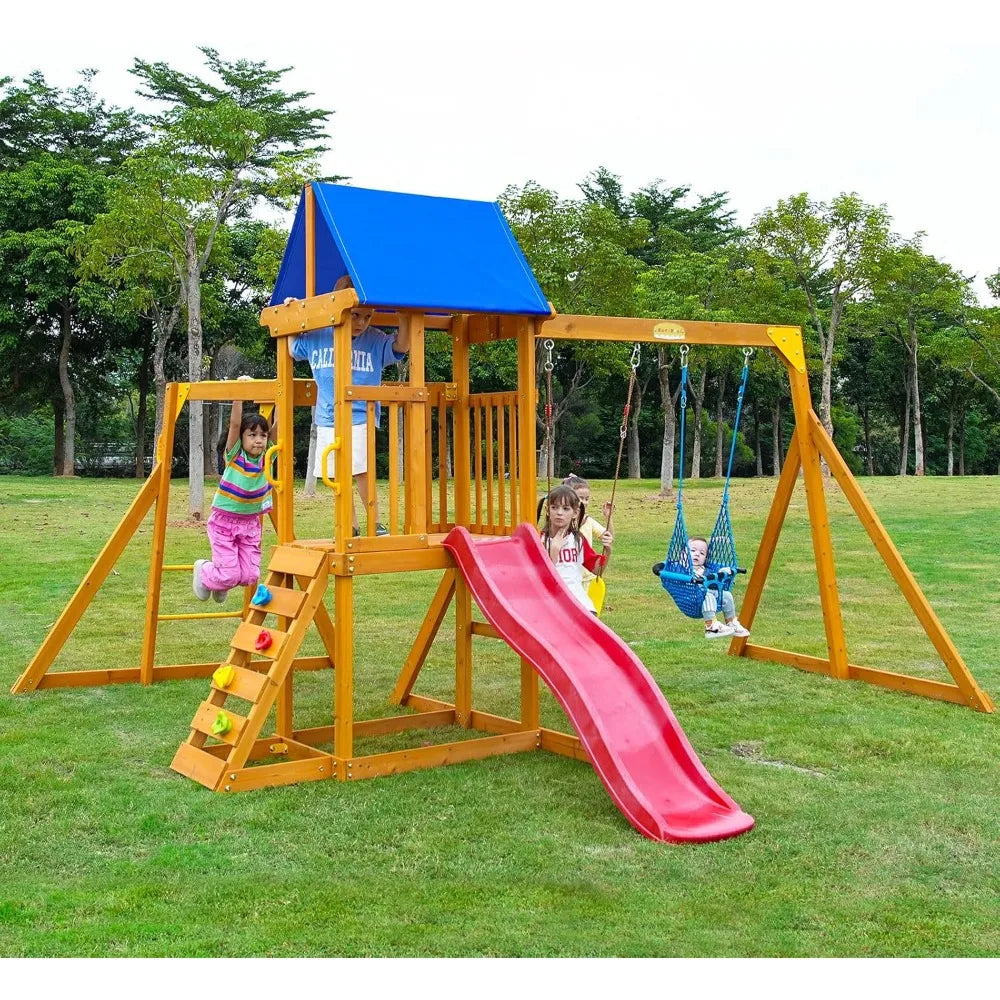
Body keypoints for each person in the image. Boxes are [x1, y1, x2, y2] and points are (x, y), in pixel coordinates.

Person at [286, 275, 409, 536]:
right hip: (327, 415)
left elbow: (402, 346)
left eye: (367, 316)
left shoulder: (374, 339)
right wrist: (294, 313)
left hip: (361, 413)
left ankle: (375, 522)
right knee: (337, 475)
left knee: (362, 470)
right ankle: (350, 525)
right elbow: (293, 347)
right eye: (355, 315)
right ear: (337, 307)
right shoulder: (319, 335)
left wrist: (404, 315)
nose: (361, 323)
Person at [193, 384, 276, 603]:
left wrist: (280, 395)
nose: (259, 440)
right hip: (224, 521)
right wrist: (240, 393)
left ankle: (221, 582)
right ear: (242, 438)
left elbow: (280, 427)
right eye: (252, 435)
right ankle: (205, 571)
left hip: (250, 523)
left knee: (251, 575)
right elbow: (235, 423)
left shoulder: (269, 457)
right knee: (230, 573)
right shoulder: (235, 455)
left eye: (263, 435)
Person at [539, 484, 613, 614]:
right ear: (547, 510)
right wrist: (554, 551)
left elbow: (597, 570)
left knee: (589, 620)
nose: (559, 513)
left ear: (575, 513)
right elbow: (539, 576)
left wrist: (607, 551)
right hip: (549, 601)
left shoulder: (577, 540)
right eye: (554, 507)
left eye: (566, 508)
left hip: (577, 600)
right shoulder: (539, 539)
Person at [688, 536, 750, 639]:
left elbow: (716, 572)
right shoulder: (682, 567)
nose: (697, 554)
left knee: (726, 595)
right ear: (684, 554)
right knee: (707, 595)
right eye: (693, 550)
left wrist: (725, 570)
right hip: (688, 597)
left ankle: (731, 622)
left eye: (702, 553)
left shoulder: (705, 568)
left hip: (704, 598)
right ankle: (711, 626)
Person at [561, 474, 614, 590]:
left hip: (587, 576)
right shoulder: (560, 524)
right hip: (567, 579)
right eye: (580, 498)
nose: (584, 502)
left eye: (587, 499)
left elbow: (609, 537)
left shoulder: (587, 521)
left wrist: (608, 518)